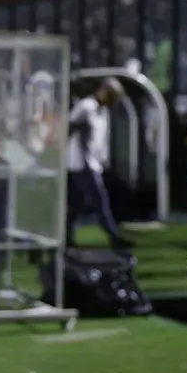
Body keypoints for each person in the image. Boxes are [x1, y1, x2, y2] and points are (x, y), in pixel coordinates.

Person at [66, 78, 134, 250]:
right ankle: (114, 237)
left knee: (75, 205)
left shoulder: (102, 111)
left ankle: (67, 238)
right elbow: (70, 126)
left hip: (92, 164)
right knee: (99, 201)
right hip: (83, 165)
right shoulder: (86, 107)